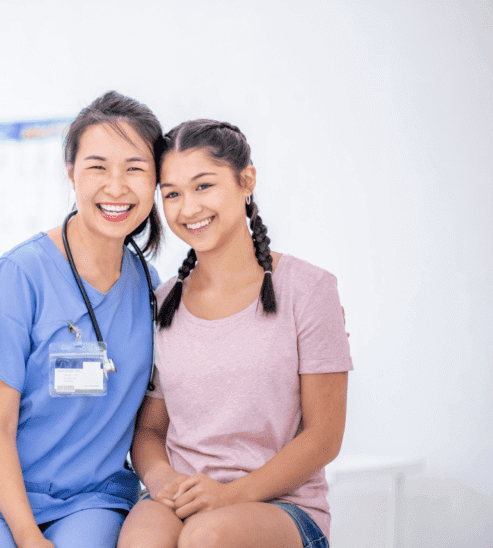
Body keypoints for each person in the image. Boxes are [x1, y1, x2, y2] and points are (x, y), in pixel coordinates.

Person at [0, 91, 164, 548]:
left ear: (155, 180)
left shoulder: (150, 288)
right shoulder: (20, 275)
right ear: (71, 173)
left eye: (135, 168)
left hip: (90, 498)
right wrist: (29, 537)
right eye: (98, 167)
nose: (116, 186)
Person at [118, 119, 353, 548]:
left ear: (246, 181)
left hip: (283, 506)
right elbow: (150, 430)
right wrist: (162, 478)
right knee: (141, 540)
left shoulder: (310, 289)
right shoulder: (163, 300)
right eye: (171, 194)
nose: (188, 209)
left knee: (208, 537)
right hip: (185, 497)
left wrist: (228, 495)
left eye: (203, 186)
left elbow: (324, 436)